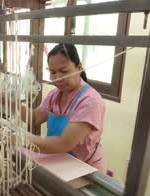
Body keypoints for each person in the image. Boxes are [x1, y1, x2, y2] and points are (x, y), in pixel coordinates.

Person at [23, 43, 107, 173]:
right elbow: (35, 118)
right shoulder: (54, 95)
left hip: (84, 169)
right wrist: (8, 103)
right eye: (53, 72)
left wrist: (23, 139)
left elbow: (64, 143)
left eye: (64, 71)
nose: (57, 78)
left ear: (78, 68)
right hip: (60, 163)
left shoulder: (90, 101)